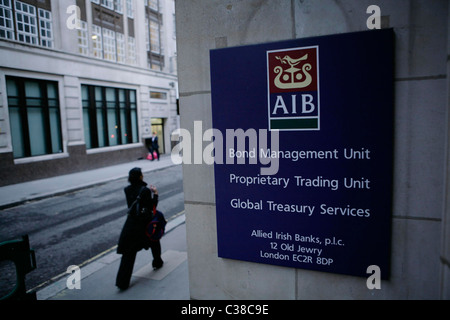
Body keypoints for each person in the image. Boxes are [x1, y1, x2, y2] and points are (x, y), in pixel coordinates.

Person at [115, 167, 163, 290]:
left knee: (128, 254)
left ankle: (122, 282)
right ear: (140, 177)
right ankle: (157, 262)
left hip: (130, 225)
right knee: (154, 239)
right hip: (143, 225)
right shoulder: (145, 190)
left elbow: (133, 207)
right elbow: (151, 207)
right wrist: (155, 194)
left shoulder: (127, 189)